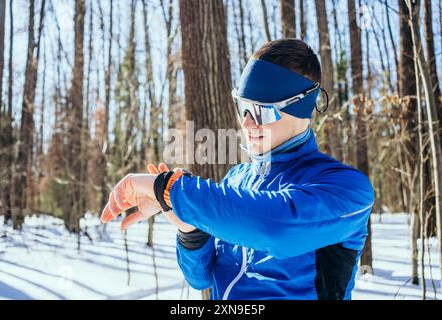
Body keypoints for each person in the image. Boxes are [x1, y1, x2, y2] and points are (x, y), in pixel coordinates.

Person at [100, 39, 375, 300]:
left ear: (301, 108)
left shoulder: (345, 188)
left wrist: (169, 189)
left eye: (262, 111)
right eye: (243, 107)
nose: (246, 123)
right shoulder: (237, 179)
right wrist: (188, 228)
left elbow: (277, 227)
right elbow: (202, 278)